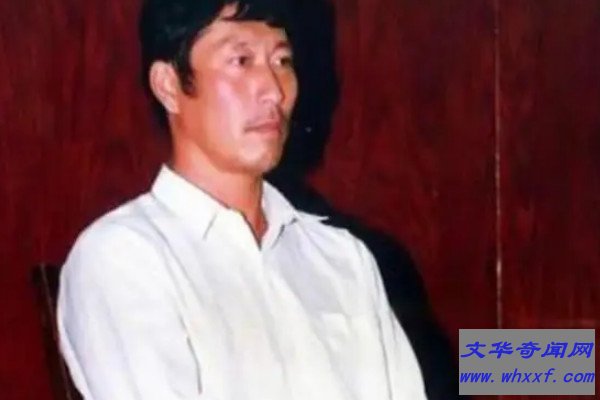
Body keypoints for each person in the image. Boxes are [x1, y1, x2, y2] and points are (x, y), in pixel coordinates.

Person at [57, 0, 428, 399]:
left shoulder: (343, 257)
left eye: (282, 61)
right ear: (169, 85)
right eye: (241, 60)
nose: (274, 90)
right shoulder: (124, 257)